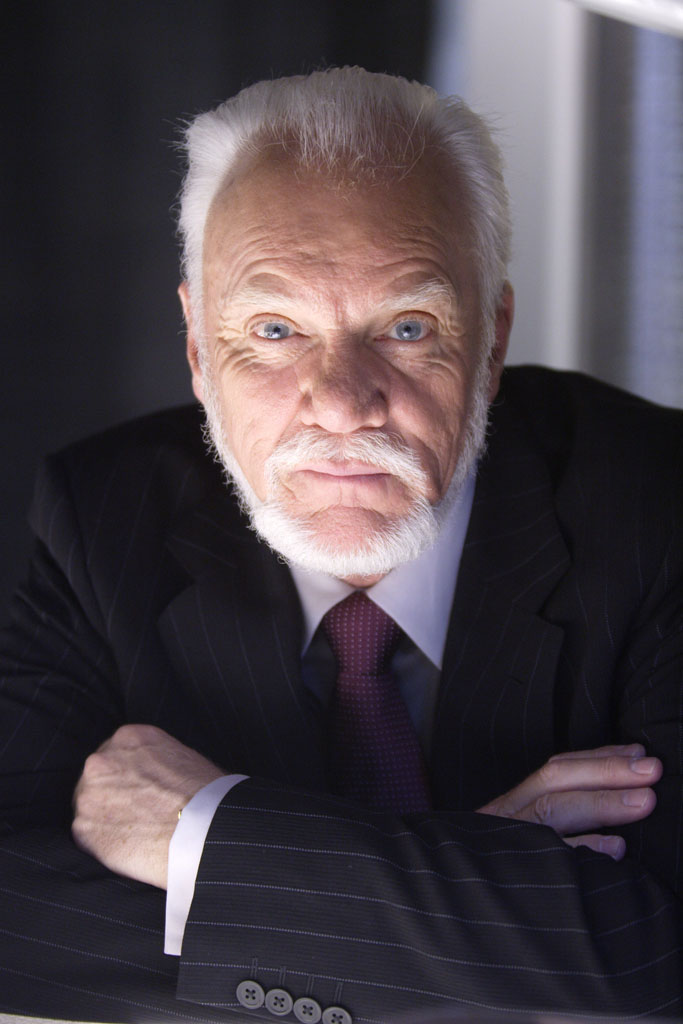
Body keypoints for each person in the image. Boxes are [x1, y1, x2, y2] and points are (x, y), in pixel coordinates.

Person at [0, 67, 680, 1023]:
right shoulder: (102, 515)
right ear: (198, 349)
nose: (341, 402)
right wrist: (474, 884)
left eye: (406, 327)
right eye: (275, 329)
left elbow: (658, 952)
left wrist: (212, 839)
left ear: (490, 345)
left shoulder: (657, 503)